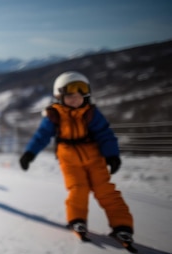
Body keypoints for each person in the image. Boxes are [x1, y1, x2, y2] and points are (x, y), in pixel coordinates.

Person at [19, 71, 134, 243]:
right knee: (77, 189)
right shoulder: (54, 115)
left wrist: (112, 155)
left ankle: (122, 226)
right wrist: (30, 153)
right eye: (70, 96)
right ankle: (77, 220)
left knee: (106, 191)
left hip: (95, 158)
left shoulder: (91, 114)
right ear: (59, 96)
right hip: (69, 160)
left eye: (80, 95)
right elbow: (41, 136)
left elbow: (105, 134)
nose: (76, 100)